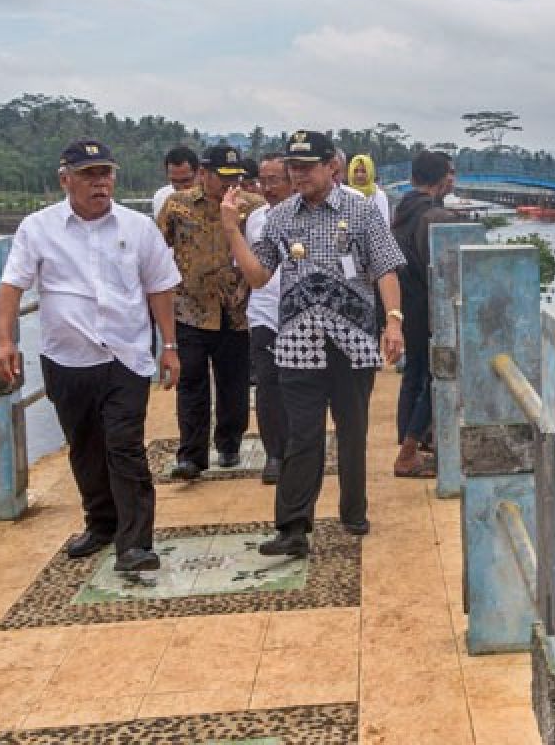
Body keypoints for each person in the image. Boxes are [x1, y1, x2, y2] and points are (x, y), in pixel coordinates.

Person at [0, 140, 182, 572]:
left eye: (105, 174)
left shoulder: (137, 228)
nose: (100, 182)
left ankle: (135, 544)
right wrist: (5, 342)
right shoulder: (37, 228)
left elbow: (160, 287)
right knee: (85, 447)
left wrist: (169, 347)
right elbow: (10, 289)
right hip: (66, 360)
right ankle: (101, 525)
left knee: (125, 447)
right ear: (65, 180)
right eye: (88, 175)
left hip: (126, 357)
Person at [219, 130, 405, 556]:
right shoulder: (279, 216)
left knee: (352, 428)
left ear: (331, 168)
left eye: (306, 167)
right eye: (293, 167)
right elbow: (259, 276)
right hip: (298, 341)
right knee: (301, 435)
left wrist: (392, 321)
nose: (297, 174)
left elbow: (385, 269)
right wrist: (232, 231)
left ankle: (353, 510)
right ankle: (292, 527)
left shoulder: (361, 211)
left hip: (352, 339)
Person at [157, 146, 264, 480]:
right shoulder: (177, 205)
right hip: (190, 306)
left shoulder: (252, 207)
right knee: (191, 381)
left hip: (234, 307)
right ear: (204, 174)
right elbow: (159, 249)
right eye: (223, 178)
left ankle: (229, 443)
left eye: (236, 178)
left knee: (233, 381)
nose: (230, 185)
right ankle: (191, 454)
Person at [390, 151, 458, 477]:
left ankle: (411, 442)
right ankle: (407, 454)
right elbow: (443, 269)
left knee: (414, 375)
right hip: (428, 307)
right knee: (435, 377)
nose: (454, 180)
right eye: (451, 174)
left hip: (406, 306)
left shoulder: (402, 210)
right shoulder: (432, 215)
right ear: (439, 179)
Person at [244, 153, 292, 484]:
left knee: (300, 387)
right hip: (264, 310)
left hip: (302, 314)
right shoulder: (255, 220)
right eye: (263, 180)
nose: (268, 187)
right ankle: (274, 453)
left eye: (275, 180)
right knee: (268, 384)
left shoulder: (310, 217)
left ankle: (299, 449)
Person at [151, 146, 199, 218]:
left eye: (185, 181)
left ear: (198, 173)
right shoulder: (162, 197)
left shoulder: (212, 196)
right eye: (174, 181)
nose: (181, 187)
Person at [348, 153, 390, 224]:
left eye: (363, 171)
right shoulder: (346, 194)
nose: (359, 175)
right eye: (356, 171)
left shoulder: (379, 195)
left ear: (370, 172)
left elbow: (384, 223)